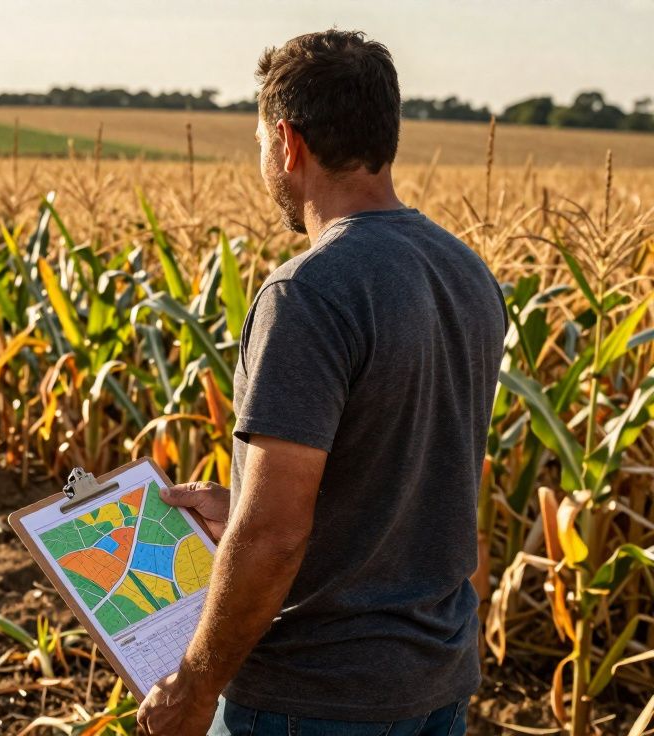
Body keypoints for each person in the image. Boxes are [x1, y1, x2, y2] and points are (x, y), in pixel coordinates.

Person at [135, 30, 507, 736]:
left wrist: (194, 685)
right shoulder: (468, 274)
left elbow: (274, 536)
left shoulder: (308, 292)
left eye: (258, 144)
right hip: (434, 683)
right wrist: (239, 502)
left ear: (288, 142)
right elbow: (414, 475)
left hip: (313, 699)